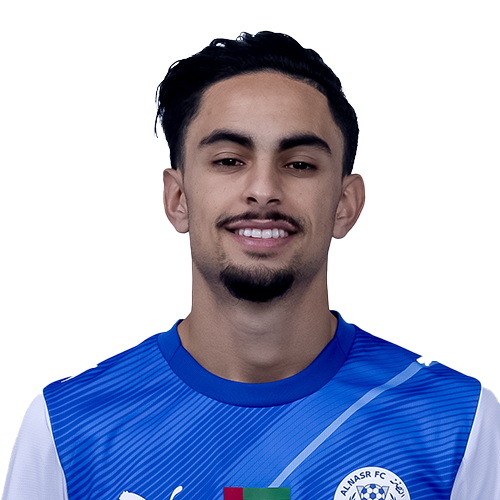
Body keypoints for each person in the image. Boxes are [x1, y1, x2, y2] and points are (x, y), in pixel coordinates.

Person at [2, 30, 499, 500]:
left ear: (346, 205)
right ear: (177, 198)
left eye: (299, 164)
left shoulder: (460, 424)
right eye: (229, 160)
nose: (263, 189)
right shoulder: (67, 428)